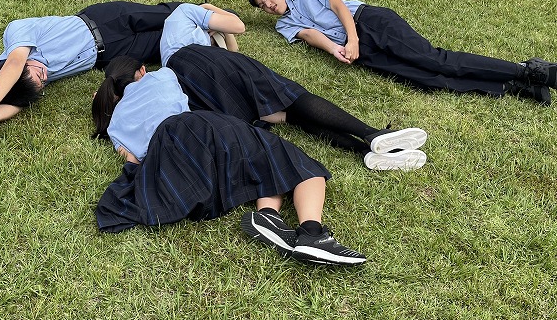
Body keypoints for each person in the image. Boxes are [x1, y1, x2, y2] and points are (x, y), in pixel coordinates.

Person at [92, 58, 366, 266]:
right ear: (141, 70)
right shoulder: (161, 75)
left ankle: (269, 217)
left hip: (172, 162)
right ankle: (312, 233)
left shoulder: (115, 124)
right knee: (294, 163)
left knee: (259, 160)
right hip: (196, 127)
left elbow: (133, 160)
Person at [161, 4, 428, 170]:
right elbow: (237, 27)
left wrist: (217, 34)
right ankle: (372, 133)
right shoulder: (185, 10)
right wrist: (212, 9)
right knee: (292, 96)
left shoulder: (170, 47)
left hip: (195, 89)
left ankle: (366, 152)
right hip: (203, 62)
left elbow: (232, 53)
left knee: (289, 116)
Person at [249, 0, 557, 105]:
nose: (267, 5)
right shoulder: (284, 25)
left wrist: (352, 39)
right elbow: (310, 34)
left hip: (369, 22)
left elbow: (339, 6)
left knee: (436, 61)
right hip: (359, 51)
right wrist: (337, 49)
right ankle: (514, 87)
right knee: (428, 81)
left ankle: (529, 70)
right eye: (262, 6)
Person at [0, 1, 181, 139]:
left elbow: (13, 64)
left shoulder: (16, 34)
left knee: (170, 14)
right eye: (43, 83)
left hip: (106, 21)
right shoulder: (29, 81)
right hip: (109, 54)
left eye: (38, 74)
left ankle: (202, 10)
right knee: (170, 42)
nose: (46, 76)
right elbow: (18, 103)